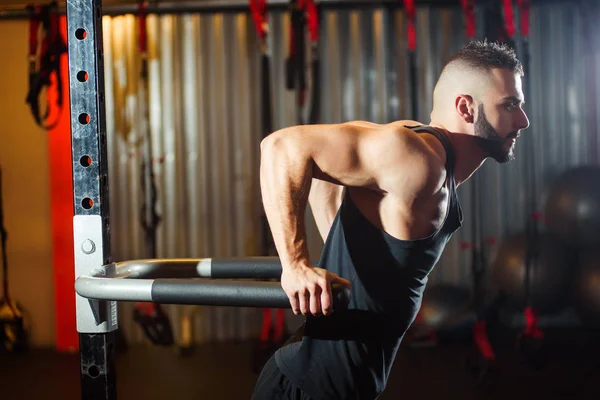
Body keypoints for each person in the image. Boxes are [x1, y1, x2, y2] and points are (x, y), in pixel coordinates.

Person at [253, 39, 530, 400]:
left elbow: (328, 175)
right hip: (307, 389)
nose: (523, 121)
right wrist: (295, 266)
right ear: (465, 107)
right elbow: (281, 147)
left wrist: (343, 255)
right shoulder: (416, 158)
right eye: (510, 105)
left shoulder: (424, 155)